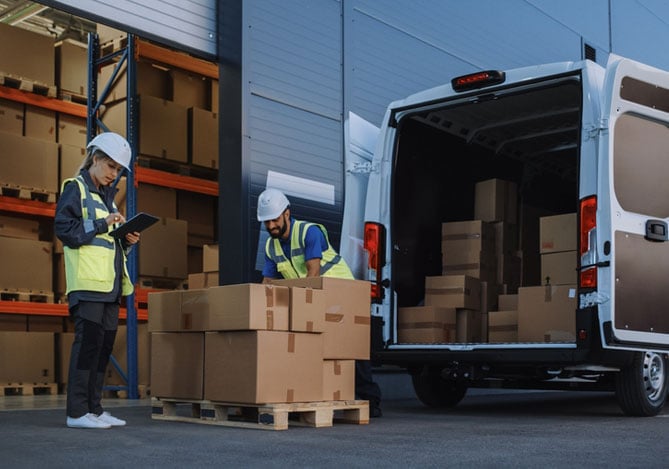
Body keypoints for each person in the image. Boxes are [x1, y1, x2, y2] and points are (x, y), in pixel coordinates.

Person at [258, 188, 383, 417]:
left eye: (274, 220)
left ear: (287, 213)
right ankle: (304, 397)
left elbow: (313, 272)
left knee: (351, 348)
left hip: (343, 293)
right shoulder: (270, 246)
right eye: (266, 222)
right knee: (310, 347)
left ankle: (369, 400)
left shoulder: (309, 232)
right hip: (314, 296)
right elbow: (268, 282)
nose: (271, 226)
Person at [55, 132, 140, 429]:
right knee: (87, 345)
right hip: (87, 285)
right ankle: (77, 412)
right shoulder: (75, 188)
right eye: (111, 167)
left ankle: (94, 408)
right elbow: (65, 229)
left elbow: (108, 244)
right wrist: (104, 223)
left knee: (103, 347)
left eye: (118, 170)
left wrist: (126, 240)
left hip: (109, 287)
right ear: (95, 159)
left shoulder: (108, 199)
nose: (114, 174)